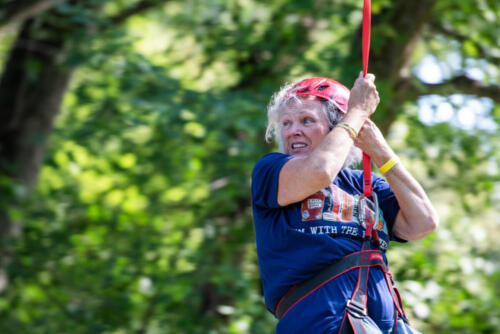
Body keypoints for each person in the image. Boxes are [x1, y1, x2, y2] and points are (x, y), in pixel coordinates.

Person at [251, 73, 438, 333]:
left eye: (307, 120)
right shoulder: (271, 172)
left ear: (335, 127)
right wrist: (358, 111)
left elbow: (423, 223)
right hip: (320, 321)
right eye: (286, 123)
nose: (293, 130)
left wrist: (381, 151)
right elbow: (320, 171)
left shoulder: (366, 185)